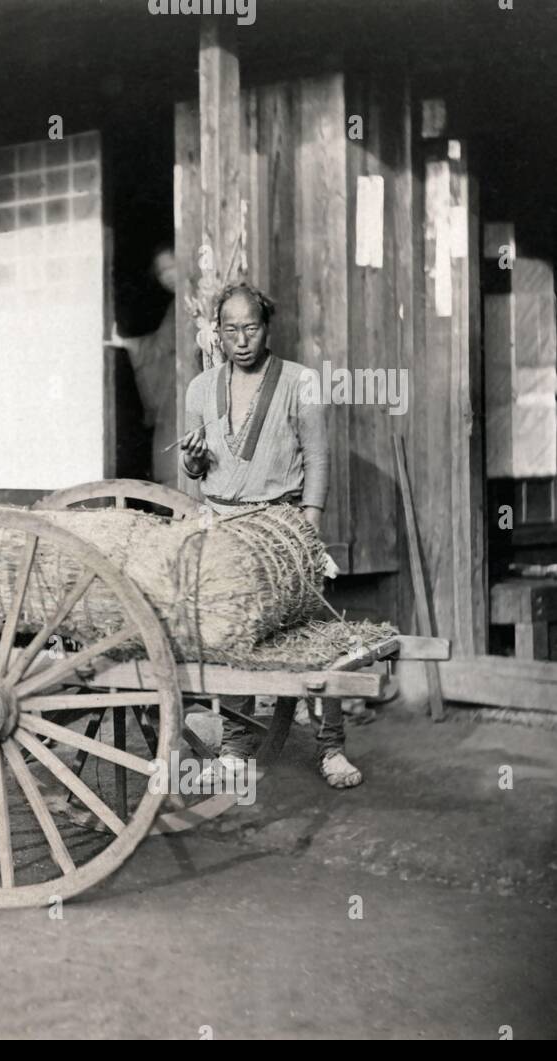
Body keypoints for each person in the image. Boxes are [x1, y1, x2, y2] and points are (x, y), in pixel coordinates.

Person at [179, 282, 363, 789]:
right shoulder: (200, 390)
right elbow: (192, 473)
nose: (242, 340)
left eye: (251, 328)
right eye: (231, 330)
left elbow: (318, 458)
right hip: (225, 526)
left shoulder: (300, 383)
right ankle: (236, 748)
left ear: (267, 328)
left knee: (311, 634)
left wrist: (311, 523)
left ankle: (331, 748)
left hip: (283, 527)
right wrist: (193, 460)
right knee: (234, 634)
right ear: (216, 333)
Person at [109, 245, 180, 488]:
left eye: (172, 266)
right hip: (174, 390)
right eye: (162, 272)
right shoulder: (175, 307)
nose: (168, 275)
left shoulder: (191, 301)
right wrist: (125, 343)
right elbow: (159, 348)